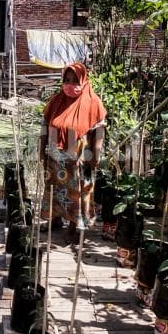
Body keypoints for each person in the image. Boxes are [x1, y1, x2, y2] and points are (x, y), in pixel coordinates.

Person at [39, 62, 106, 240]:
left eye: (75, 81)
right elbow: (45, 125)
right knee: (54, 188)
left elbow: (99, 131)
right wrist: (41, 150)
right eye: (67, 80)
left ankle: (74, 225)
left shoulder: (93, 102)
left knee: (76, 192)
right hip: (55, 157)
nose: (70, 85)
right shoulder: (56, 100)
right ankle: (54, 218)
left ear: (83, 81)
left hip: (80, 157)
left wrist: (96, 155)